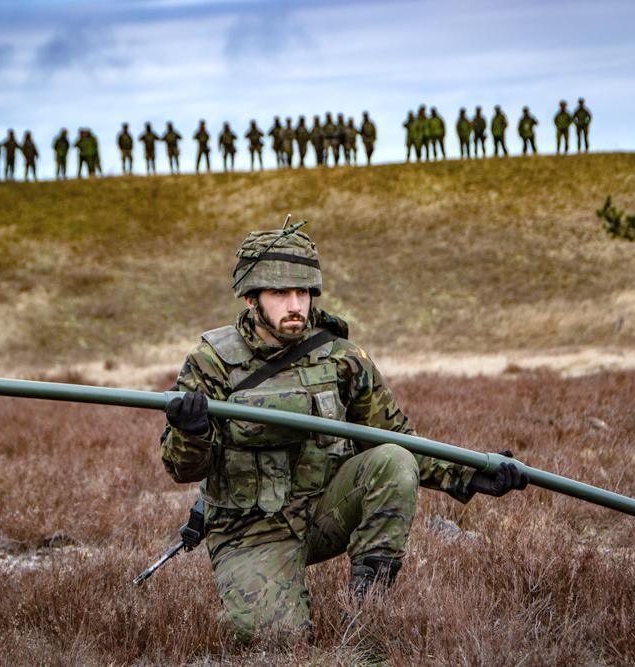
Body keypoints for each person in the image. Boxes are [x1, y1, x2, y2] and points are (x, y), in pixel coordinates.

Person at [160, 225, 530, 644]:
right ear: (251, 298)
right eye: (280, 294)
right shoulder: (209, 362)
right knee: (275, 639)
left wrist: (470, 473)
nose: (295, 305)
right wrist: (190, 431)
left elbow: (396, 436)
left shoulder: (342, 358)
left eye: (303, 293)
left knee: (393, 461)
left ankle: (366, 611)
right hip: (249, 528)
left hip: (323, 513)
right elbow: (181, 468)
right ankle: (265, 606)